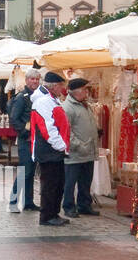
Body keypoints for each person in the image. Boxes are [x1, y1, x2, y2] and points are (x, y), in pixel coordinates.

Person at [31, 71, 70, 227]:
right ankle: (47, 216)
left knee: (58, 183)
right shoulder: (43, 102)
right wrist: (61, 145)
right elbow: (47, 128)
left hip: (54, 150)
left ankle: (53, 213)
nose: (62, 89)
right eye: (61, 86)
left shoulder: (51, 100)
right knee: (50, 185)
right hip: (49, 150)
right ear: (54, 86)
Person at [61, 77, 100, 217]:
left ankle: (84, 205)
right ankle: (69, 207)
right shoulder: (67, 107)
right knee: (70, 182)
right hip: (75, 153)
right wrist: (79, 145)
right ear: (76, 91)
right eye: (84, 89)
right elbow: (66, 132)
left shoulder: (85, 105)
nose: (86, 92)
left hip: (88, 151)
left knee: (85, 181)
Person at [7, 68, 41, 213]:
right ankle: (13, 202)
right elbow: (14, 118)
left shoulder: (38, 96)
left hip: (35, 141)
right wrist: (24, 132)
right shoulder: (22, 97)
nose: (35, 81)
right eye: (32, 79)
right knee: (24, 172)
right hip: (25, 140)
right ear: (27, 80)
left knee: (31, 173)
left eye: (37, 79)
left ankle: (28, 202)